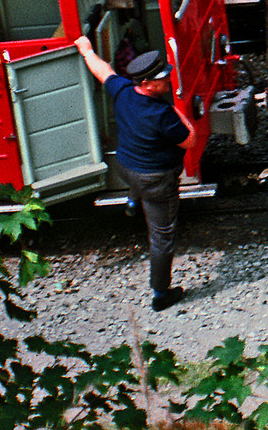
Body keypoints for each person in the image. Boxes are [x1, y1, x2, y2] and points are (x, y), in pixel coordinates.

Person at [73, 35, 200, 312]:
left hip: (125, 168)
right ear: (146, 84)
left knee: (136, 179)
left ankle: (132, 202)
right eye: (162, 80)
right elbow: (190, 140)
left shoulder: (123, 91)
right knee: (162, 236)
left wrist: (86, 51)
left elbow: (103, 71)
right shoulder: (160, 113)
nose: (168, 82)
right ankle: (161, 293)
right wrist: (180, 114)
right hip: (155, 179)